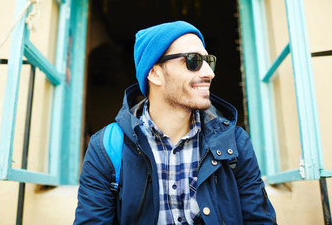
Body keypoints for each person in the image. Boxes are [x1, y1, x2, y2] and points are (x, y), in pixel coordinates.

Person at [74, 21, 277, 224]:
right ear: (154, 73)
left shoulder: (234, 141)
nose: (209, 73)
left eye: (208, 61)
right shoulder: (106, 147)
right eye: (193, 61)